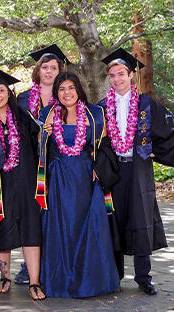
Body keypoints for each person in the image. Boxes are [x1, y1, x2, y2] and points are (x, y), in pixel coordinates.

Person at [98, 48, 174, 296]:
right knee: (113, 219)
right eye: (112, 75)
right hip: (113, 171)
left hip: (139, 169)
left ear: (131, 75)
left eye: (121, 74)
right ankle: (115, 275)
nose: (117, 79)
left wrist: (157, 151)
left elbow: (169, 130)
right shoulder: (101, 107)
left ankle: (144, 277)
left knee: (141, 219)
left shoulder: (146, 105)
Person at [39, 72, 119, 298]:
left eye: (71, 88)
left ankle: (91, 281)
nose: (67, 93)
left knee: (89, 228)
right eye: (62, 89)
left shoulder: (95, 114)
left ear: (79, 89)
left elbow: (105, 145)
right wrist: (41, 138)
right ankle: (61, 281)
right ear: (56, 92)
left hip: (86, 178)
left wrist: (98, 167)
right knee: (62, 229)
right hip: (59, 180)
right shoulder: (47, 114)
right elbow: (40, 149)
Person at [0, 69, 45, 300]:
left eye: (1, 90)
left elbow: (41, 144)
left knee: (30, 229)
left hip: (26, 180)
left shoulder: (23, 116)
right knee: (1, 228)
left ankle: (34, 282)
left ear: (9, 92)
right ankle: (5, 277)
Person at [14, 44, 68, 284]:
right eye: (44, 67)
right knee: (32, 213)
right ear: (38, 70)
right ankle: (29, 265)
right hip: (30, 163)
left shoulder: (67, 94)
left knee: (55, 211)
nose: (48, 71)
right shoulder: (24, 98)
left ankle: (55, 262)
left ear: (60, 70)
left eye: (53, 67)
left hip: (59, 160)